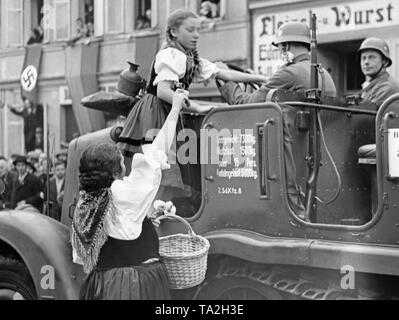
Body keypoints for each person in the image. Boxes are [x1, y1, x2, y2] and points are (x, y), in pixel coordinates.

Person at [118, 9, 268, 204]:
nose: (196, 35)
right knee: (158, 173)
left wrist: (261, 77)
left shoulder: (188, 58)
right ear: (173, 32)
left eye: (198, 30)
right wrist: (196, 107)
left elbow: (224, 74)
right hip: (155, 114)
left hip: (168, 112)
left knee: (166, 174)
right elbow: (163, 91)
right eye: (190, 30)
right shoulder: (170, 54)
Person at [71, 90, 190, 300]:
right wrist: (175, 108)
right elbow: (158, 149)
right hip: (130, 286)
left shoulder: (87, 201)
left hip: (101, 284)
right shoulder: (122, 193)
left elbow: (119, 231)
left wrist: (149, 214)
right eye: (121, 162)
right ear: (115, 171)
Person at [218, 21, 337, 221]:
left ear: (286, 46)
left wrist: (225, 81)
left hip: (289, 160)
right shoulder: (323, 73)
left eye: (281, 47)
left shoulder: (288, 72)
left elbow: (245, 102)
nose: (281, 51)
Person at [357, 37, 399, 107]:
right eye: (363, 58)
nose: (366, 62)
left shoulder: (388, 87)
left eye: (372, 57)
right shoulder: (370, 85)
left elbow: (366, 115)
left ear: (385, 62)